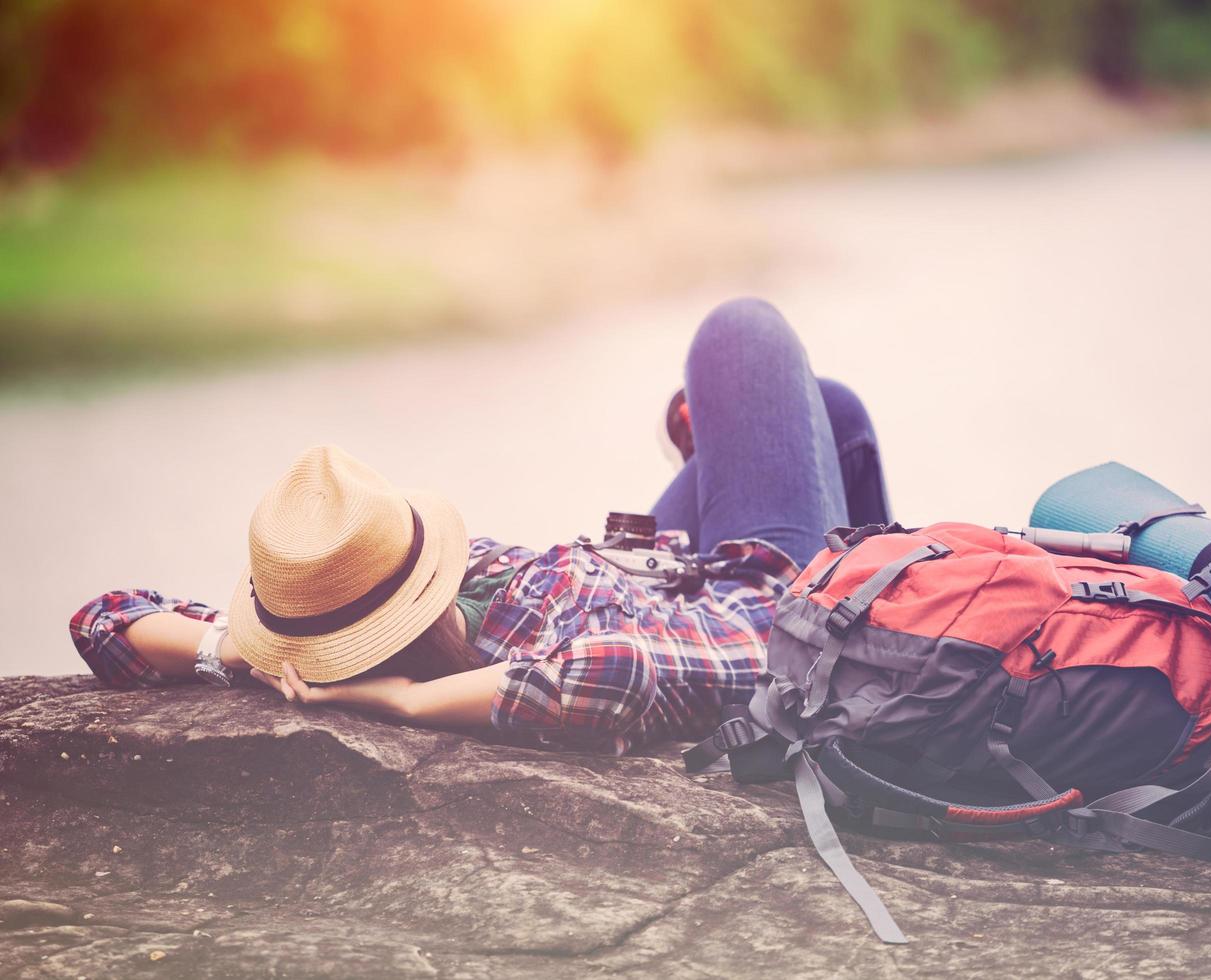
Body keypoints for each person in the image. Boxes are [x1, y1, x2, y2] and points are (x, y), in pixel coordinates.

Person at [68, 298, 892, 754]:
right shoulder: (537, 661)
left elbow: (104, 619)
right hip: (776, 609)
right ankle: (902, 637)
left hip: (663, 577)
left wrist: (234, 649)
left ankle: (725, 457)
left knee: (829, 411)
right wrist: (404, 702)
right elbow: (617, 673)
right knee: (741, 336)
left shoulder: (304, 621)